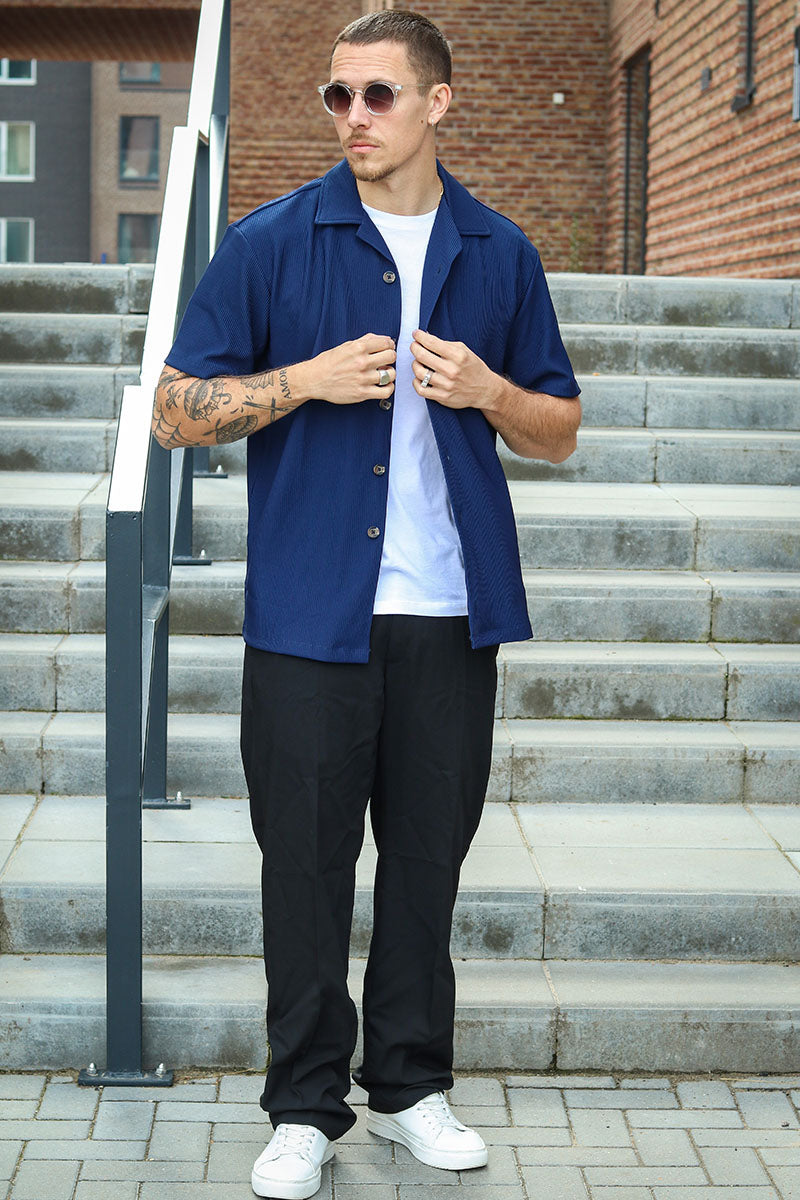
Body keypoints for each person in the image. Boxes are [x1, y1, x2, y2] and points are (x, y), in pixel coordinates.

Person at [152, 9, 581, 1198]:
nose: (352, 116)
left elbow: (558, 427)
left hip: (448, 617)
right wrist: (301, 380)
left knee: (424, 867)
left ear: (437, 103)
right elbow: (174, 410)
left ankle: (408, 1089)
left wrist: (489, 390)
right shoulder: (271, 242)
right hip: (309, 618)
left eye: (377, 94)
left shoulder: (498, 253)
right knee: (302, 868)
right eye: (336, 96)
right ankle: (303, 1108)